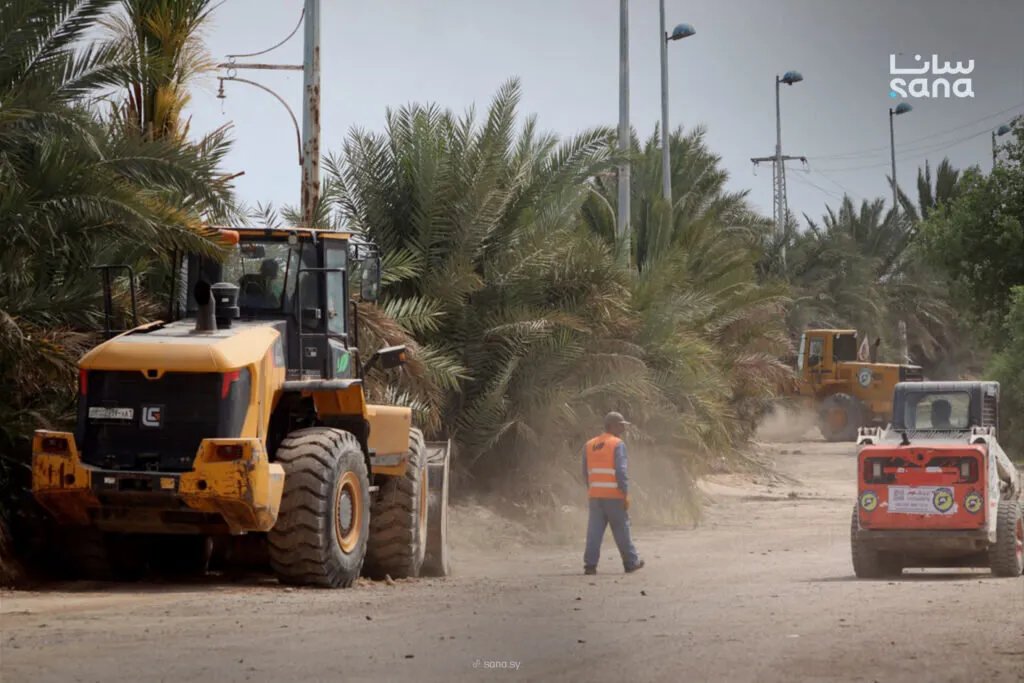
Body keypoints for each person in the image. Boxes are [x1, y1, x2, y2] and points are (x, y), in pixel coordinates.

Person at [582, 412, 643, 575]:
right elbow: (621, 471)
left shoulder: (589, 445)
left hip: (595, 496)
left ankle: (590, 565)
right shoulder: (617, 444)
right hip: (614, 496)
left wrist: (593, 489)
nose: (623, 427)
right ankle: (630, 562)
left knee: (594, 531)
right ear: (612, 426)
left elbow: (585, 472)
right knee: (621, 529)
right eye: (620, 424)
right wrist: (625, 492)